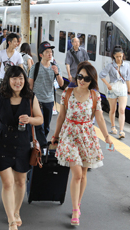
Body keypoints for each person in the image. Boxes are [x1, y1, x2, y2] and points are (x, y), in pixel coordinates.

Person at [51, 61, 114, 226]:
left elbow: (99, 117)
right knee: (77, 174)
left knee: (84, 174)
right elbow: (61, 116)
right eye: (80, 76)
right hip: (70, 134)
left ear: (91, 80)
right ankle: (74, 210)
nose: (82, 80)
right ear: (76, 75)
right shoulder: (68, 92)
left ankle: (78, 204)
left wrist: (107, 136)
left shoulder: (95, 96)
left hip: (87, 136)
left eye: (86, 78)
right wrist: (56, 135)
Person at [0, 66, 43, 230]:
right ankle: (11, 220)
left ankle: (16, 211)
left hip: (22, 144)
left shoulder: (30, 97)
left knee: (20, 182)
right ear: (8, 80)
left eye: (20, 78)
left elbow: (40, 119)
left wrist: (30, 120)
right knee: (8, 182)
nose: (18, 82)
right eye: (14, 78)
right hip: (3, 142)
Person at [28, 41, 64, 149]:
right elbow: (30, 85)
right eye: (47, 52)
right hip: (37, 100)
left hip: (49, 100)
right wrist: (29, 100)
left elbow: (61, 84)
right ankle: (43, 147)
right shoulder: (35, 67)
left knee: (46, 126)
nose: (50, 54)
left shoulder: (55, 67)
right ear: (41, 55)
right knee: (39, 125)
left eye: (51, 52)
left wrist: (57, 73)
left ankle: (40, 144)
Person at [99, 45, 130, 138]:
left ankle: (121, 131)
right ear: (114, 56)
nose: (119, 58)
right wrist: (107, 84)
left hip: (123, 89)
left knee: (122, 110)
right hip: (112, 89)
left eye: (120, 56)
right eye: (117, 57)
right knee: (113, 110)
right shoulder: (110, 66)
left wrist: (129, 89)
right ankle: (113, 127)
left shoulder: (127, 65)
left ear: (123, 55)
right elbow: (101, 75)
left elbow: (128, 78)